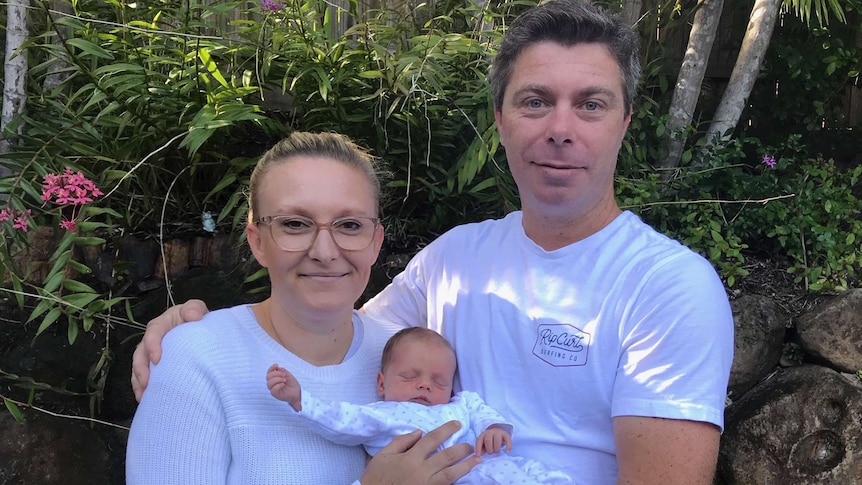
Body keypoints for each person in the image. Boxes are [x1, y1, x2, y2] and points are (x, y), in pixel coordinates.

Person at [132, 1, 735, 483]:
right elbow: (331, 330)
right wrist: (198, 333)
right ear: (500, 119)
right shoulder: (455, 259)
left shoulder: (667, 286)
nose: (559, 130)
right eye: (535, 102)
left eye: (591, 105)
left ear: (625, 122)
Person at [125, 131, 479, 484]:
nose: (324, 252)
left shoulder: (411, 359)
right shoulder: (196, 359)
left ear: (375, 242)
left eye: (350, 225)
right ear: (258, 241)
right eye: (295, 224)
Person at [267, 327, 575, 484]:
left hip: (493, 465)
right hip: (452, 480)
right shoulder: (382, 414)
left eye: (439, 381)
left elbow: (482, 410)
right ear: (382, 384)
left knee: (539, 474)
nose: (425, 385)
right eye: (410, 376)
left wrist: (492, 428)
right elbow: (340, 419)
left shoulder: (461, 403)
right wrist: (300, 399)